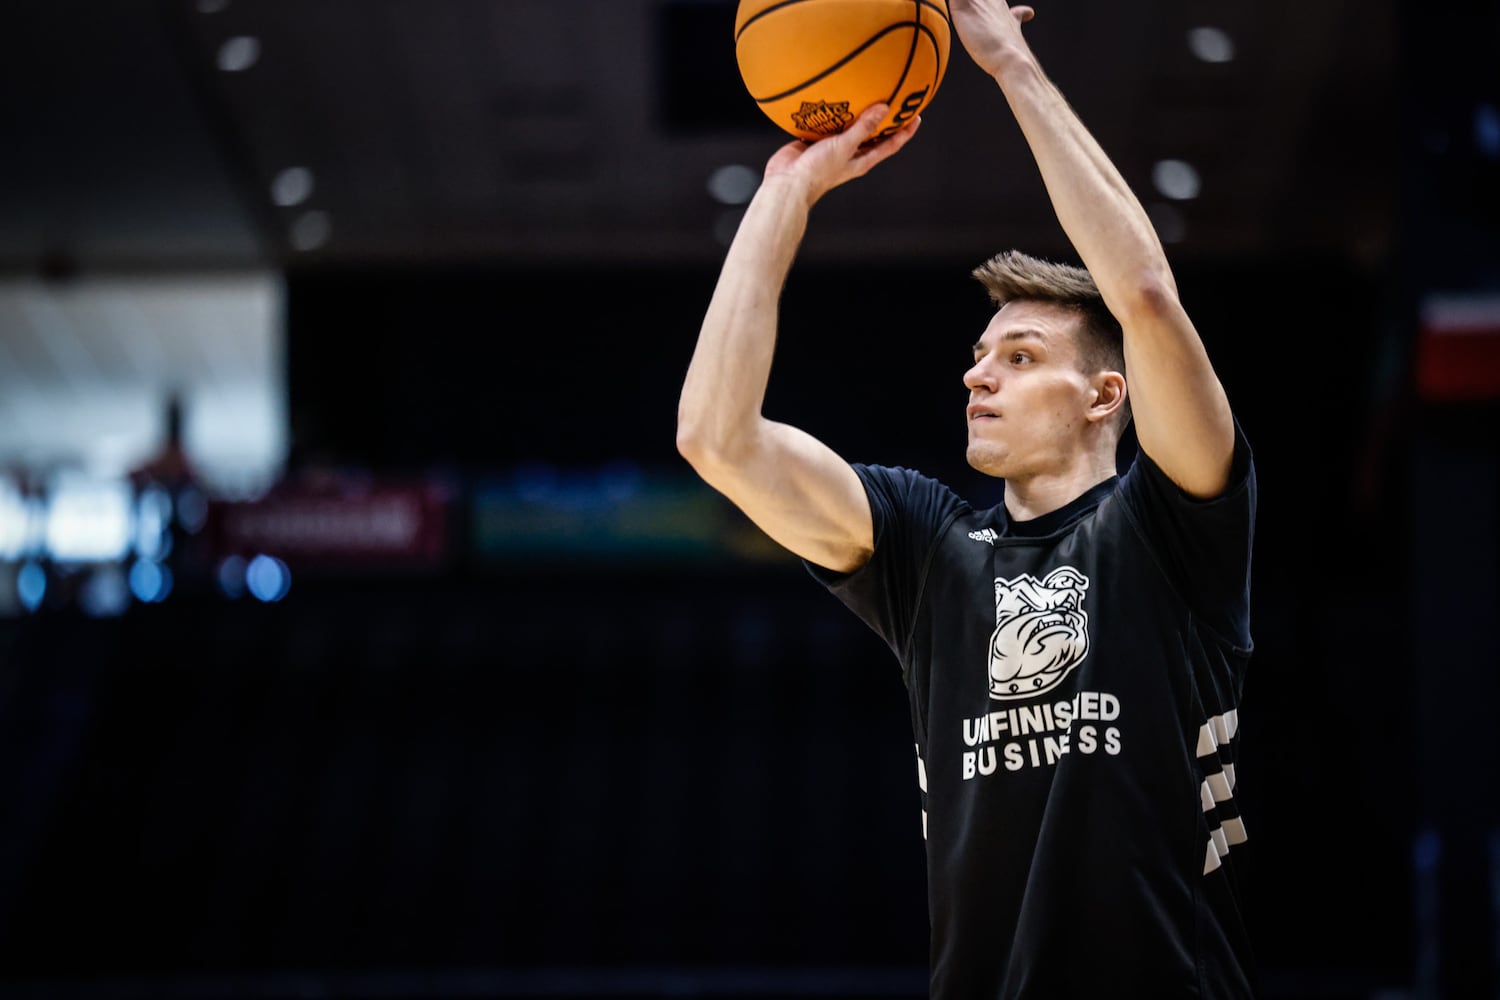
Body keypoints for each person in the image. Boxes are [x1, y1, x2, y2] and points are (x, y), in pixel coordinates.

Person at [676, 1, 1258, 997]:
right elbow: (714, 438)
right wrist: (786, 195)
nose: (977, 378)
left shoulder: (1175, 525)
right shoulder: (929, 547)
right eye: (978, 358)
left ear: (1104, 395)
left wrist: (1008, 64)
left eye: (1020, 357)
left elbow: (1147, 299)